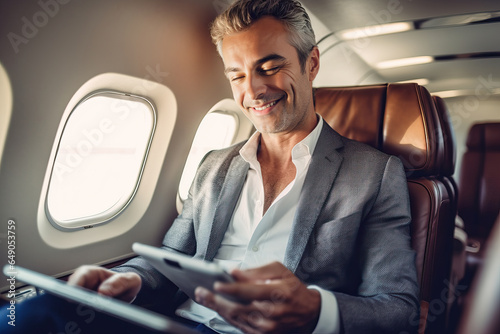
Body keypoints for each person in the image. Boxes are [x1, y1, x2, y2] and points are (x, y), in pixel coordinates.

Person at [2, 0, 419, 333]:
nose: (253, 90)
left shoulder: (374, 173)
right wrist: (131, 280)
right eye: (236, 75)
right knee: (47, 310)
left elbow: (397, 310)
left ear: (311, 64)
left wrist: (316, 310)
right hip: (176, 322)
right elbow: (168, 257)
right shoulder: (215, 164)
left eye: (270, 67)